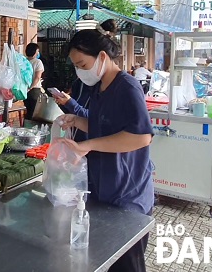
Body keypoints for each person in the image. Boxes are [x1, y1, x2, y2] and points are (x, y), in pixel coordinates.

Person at [56, 28, 154, 272]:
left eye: (82, 64)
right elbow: (103, 125)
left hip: (127, 192)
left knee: (127, 264)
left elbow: (141, 137)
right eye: (76, 66)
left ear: (101, 56)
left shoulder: (127, 88)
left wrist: (86, 145)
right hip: (103, 188)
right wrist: (77, 121)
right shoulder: (98, 87)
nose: (79, 71)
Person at [24, 42, 44, 121]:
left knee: (28, 110)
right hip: (34, 90)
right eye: (37, 51)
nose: (38, 53)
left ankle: (26, 126)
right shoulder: (38, 62)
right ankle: (31, 129)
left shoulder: (24, 61)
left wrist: (27, 89)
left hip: (24, 89)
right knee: (34, 112)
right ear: (35, 52)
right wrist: (31, 87)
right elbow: (37, 77)